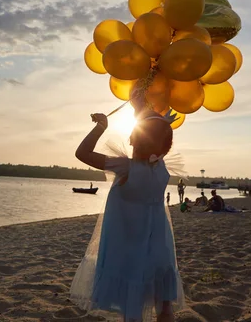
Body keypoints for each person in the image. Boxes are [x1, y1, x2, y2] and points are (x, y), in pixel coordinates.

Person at [70, 110, 184, 322]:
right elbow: (156, 132)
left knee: (132, 303)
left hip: (129, 248)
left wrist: (100, 127)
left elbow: (82, 153)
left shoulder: (125, 167)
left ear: (136, 139)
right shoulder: (162, 168)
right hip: (159, 245)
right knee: (164, 303)